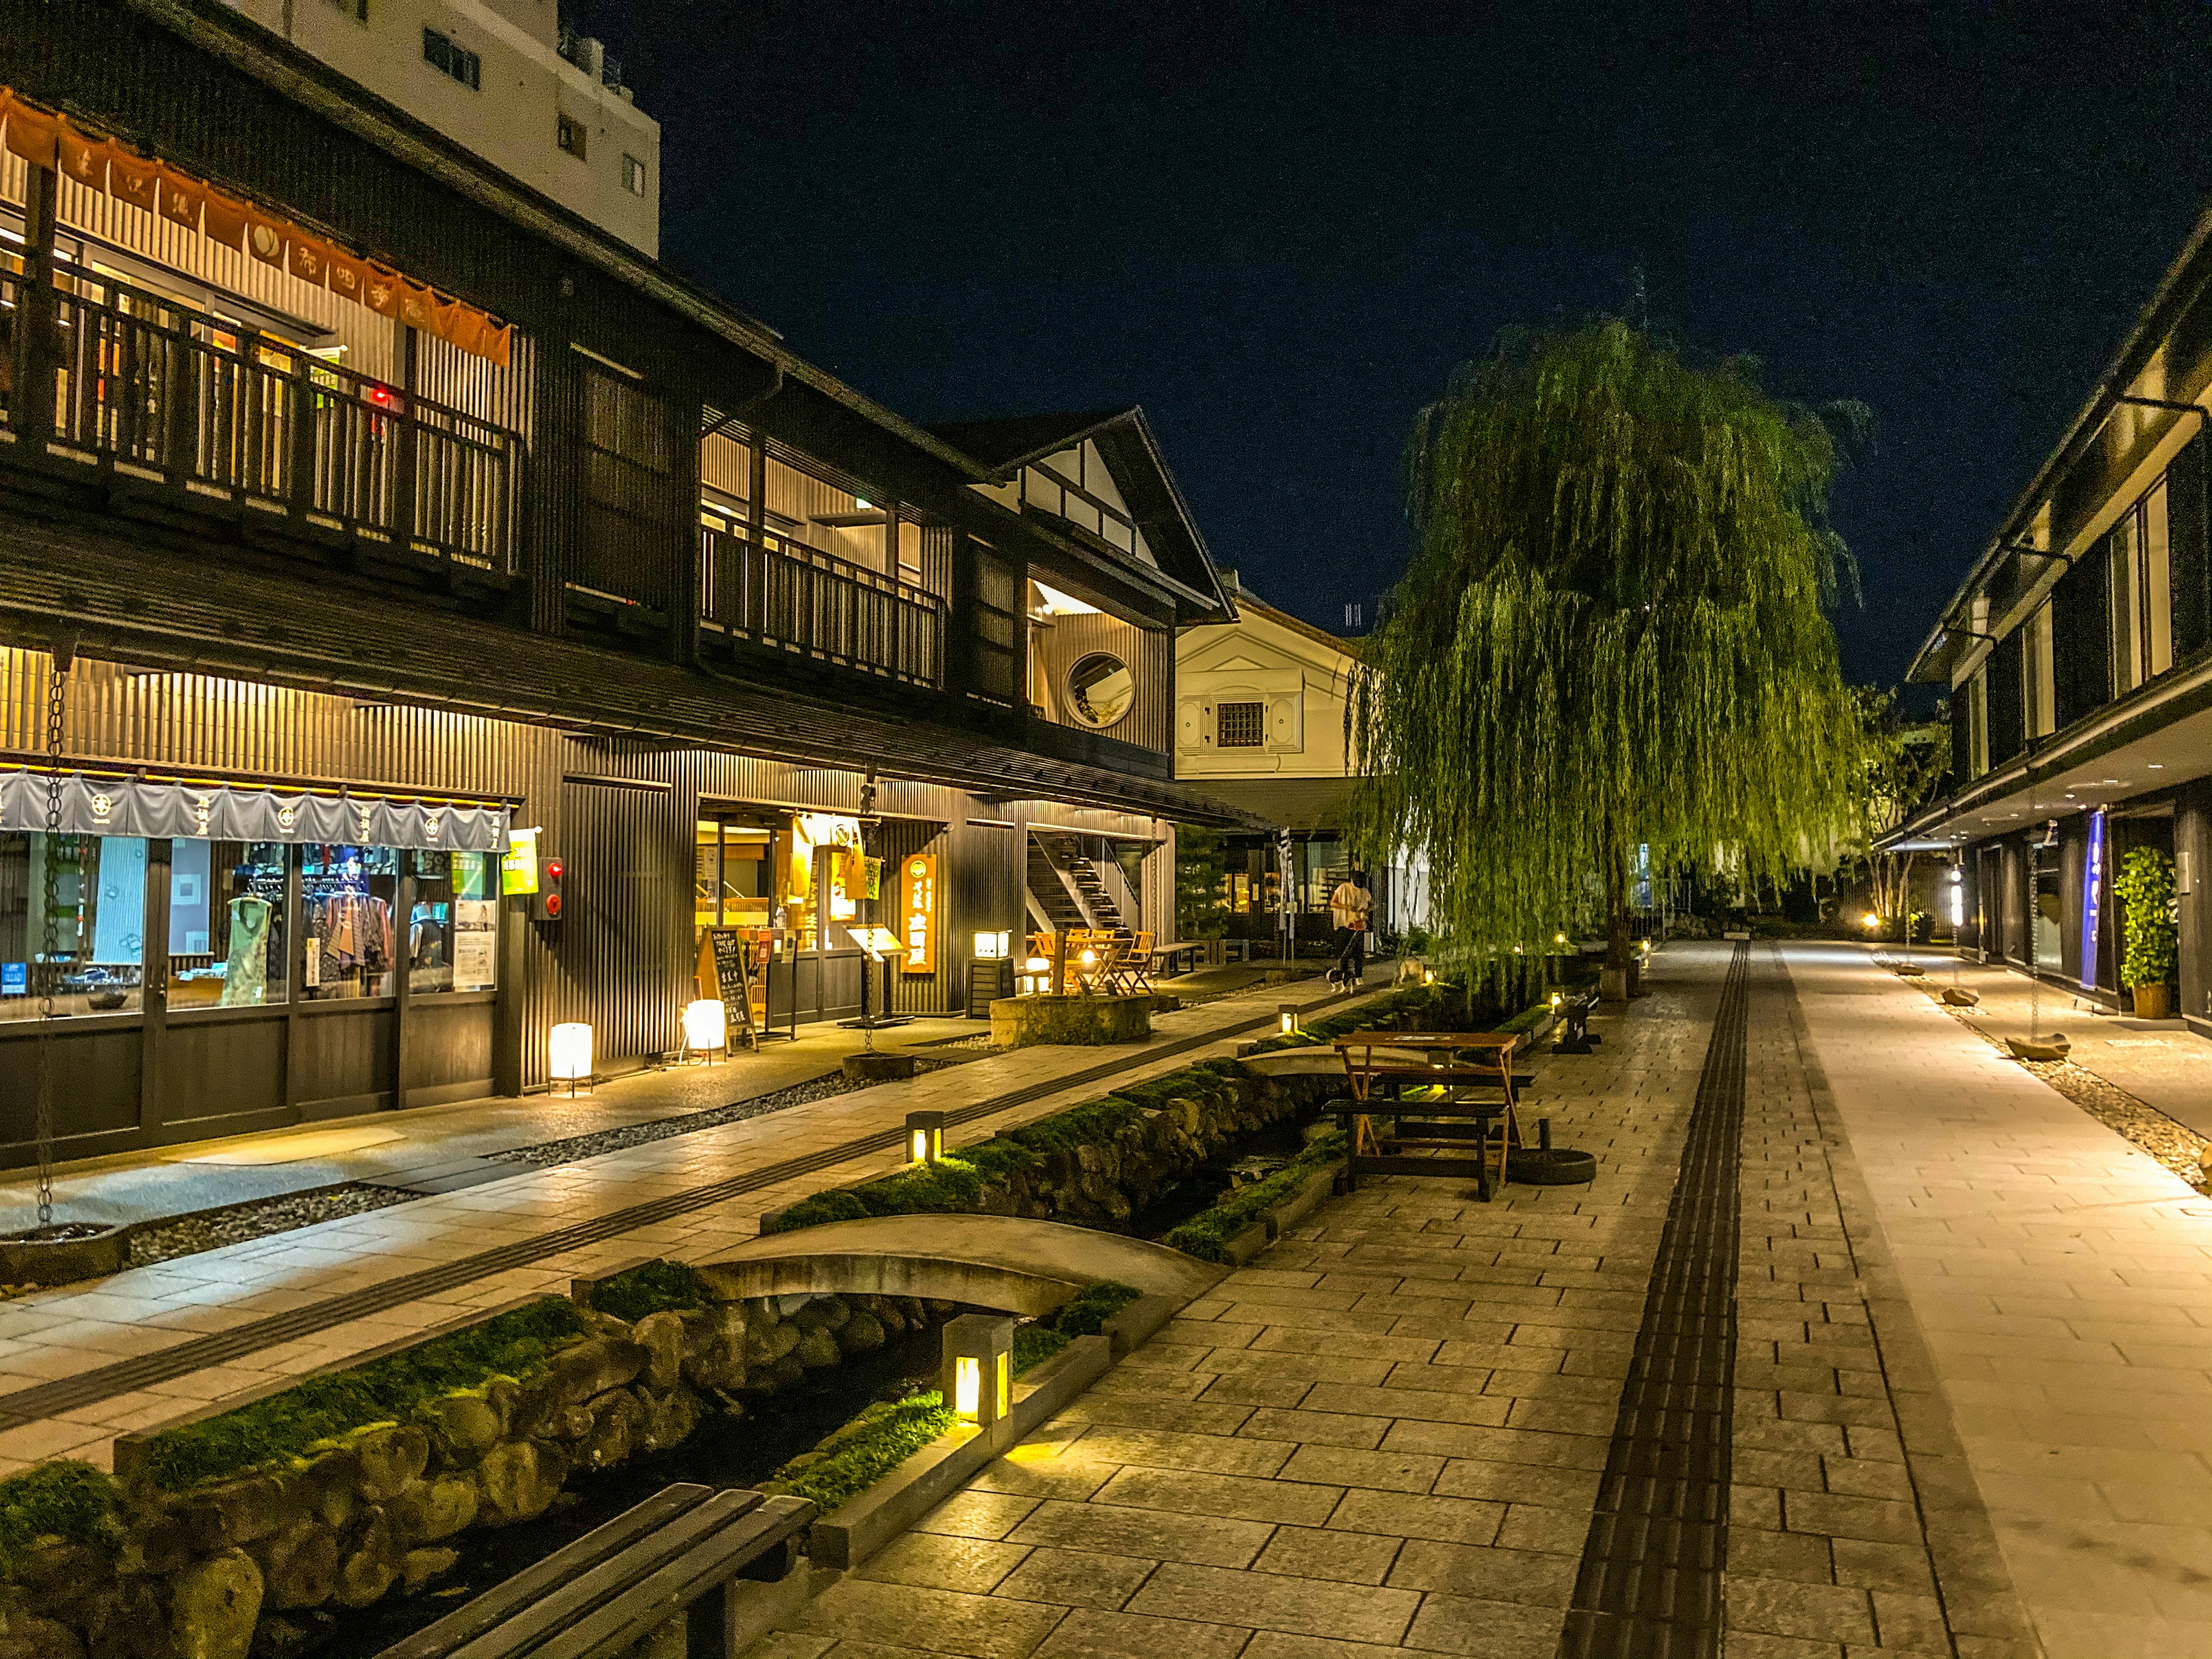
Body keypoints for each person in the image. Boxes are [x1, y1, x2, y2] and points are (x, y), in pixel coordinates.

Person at [1327, 869, 1373, 988]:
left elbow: (1371, 904)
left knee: (1358, 953)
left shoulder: (1365, 891)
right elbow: (1333, 903)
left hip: (1358, 924)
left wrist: (1366, 910)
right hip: (1344, 924)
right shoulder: (1344, 888)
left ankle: (1358, 976)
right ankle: (1343, 976)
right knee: (1344, 953)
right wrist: (1346, 907)